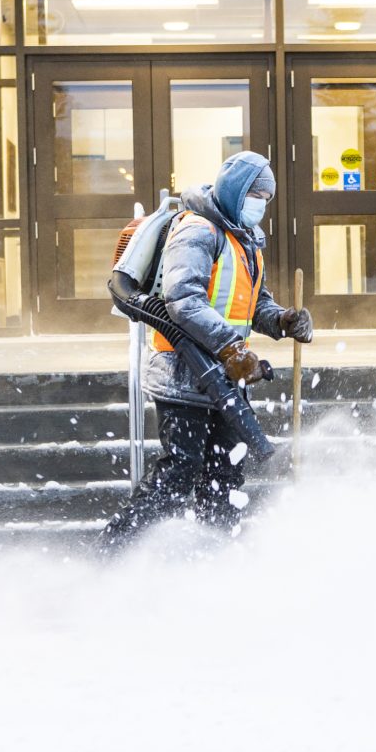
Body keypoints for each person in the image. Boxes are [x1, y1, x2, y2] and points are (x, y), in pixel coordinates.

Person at [99, 151, 312, 551]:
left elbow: (253, 305)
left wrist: (282, 320)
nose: (261, 205)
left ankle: (215, 558)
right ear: (235, 192)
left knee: (226, 475)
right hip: (183, 378)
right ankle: (117, 553)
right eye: (257, 195)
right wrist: (231, 348)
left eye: (267, 198)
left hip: (225, 383)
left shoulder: (245, 241)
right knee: (182, 470)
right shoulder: (197, 231)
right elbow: (182, 300)